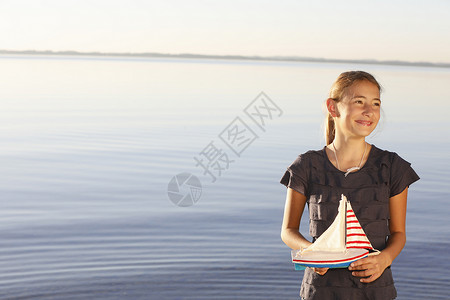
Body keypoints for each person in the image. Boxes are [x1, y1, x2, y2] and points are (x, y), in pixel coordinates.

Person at [280, 71, 419, 300]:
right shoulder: (306, 165)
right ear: (333, 108)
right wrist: (313, 253)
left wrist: (385, 259)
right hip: (321, 290)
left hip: (376, 289)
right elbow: (288, 231)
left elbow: (398, 233)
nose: (369, 111)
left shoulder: (392, 167)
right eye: (359, 102)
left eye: (375, 103)